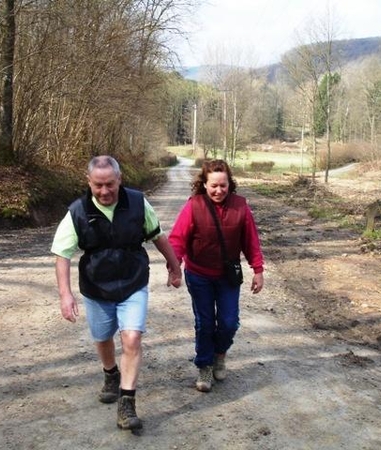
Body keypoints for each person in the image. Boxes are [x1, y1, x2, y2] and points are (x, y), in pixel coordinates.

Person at [51, 155, 182, 430]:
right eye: (98, 185)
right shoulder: (77, 211)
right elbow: (62, 254)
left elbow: (157, 234)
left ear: (119, 179)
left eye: (110, 184)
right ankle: (110, 372)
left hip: (133, 282)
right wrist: (65, 294)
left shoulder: (137, 202)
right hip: (96, 287)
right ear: (88, 182)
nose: (105, 191)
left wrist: (173, 265)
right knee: (102, 337)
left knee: (132, 338)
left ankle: (127, 403)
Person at [168, 159, 264, 392]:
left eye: (223, 185)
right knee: (205, 323)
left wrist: (258, 269)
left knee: (229, 322)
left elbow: (251, 240)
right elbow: (177, 239)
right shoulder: (194, 206)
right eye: (214, 186)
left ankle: (220, 354)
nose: (219, 190)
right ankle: (204, 365)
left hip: (227, 277)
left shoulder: (241, 206)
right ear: (204, 184)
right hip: (199, 274)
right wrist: (174, 267)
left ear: (230, 184)